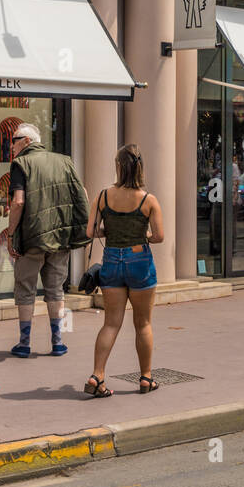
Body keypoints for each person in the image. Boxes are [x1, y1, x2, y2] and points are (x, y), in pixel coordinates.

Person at [82, 145, 165, 398]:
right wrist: (143, 236)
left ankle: (97, 375)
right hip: (139, 259)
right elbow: (159, 236)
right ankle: (146, 378)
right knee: (143, 323)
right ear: (140, 167)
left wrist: (110, 231)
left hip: (111, 259)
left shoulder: (103, 196)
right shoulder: (148, 199)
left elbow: (90, 232)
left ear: (118, 166)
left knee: (110, 323)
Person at [5, 123, 90, 358]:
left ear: (26, 142)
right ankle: (58, 342)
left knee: (25, 289)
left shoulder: (21, 163)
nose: (11, 145)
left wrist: (11, 234)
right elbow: (82, 194)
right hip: (60, 237)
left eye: (14, 140)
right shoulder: (64, 161)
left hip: (32, 237)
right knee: (55, 291)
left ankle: (24, 343)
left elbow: (18, 202)